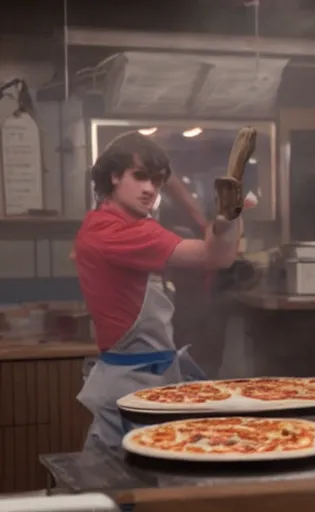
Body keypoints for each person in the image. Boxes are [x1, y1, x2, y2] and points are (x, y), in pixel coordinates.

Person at [73, 131, 242, 453]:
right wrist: (227, 219)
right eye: (139, 177)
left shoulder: (104, 223)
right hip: (134, 385)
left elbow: (216, 253)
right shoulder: (120, 234)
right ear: (113, 176)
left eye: (157, 181)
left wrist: (222, 218)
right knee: (134, 488)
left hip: (143, 380)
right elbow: (218, 256)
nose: (150, 189)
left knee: (116, 482)